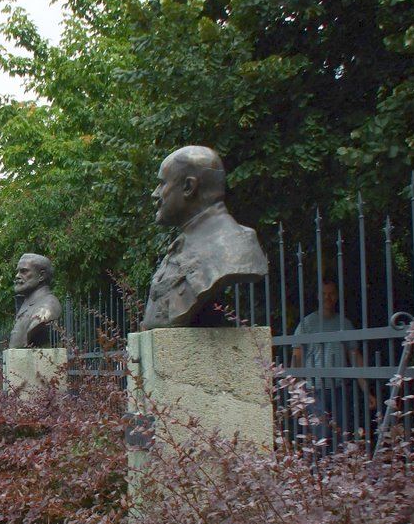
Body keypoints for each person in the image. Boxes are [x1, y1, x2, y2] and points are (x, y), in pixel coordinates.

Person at [141, 146, 268, 330]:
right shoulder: (181, 246)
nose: (155, 194)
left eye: (162, 184)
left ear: (188, 187)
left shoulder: (234, 246)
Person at [291, 279, 376, 443]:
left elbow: (355, 358)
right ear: (317, 296)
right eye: (323, 294)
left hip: (339, 389)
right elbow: (297, 359)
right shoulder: (306, 324)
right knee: (321, 436)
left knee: (341, 435)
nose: (327, 297)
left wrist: (367, 391)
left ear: (336, 296)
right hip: (313, 390)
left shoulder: (344, 323)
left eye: (331, 294)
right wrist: (296, 394)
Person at [9, 254, 62, 348]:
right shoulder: (27, 304)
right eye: (18, 272)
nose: (17, 276)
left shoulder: (48, 306)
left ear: (41, 275)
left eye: (24, 271)